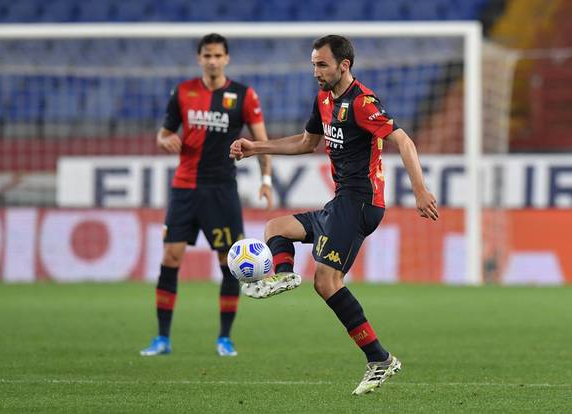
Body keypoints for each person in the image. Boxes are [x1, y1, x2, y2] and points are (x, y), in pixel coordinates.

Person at [229, 35, 438, 394]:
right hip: (340, 202)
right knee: (276, 227)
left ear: (344, 65)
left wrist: (419, 190)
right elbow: (308, 143)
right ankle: (283, 274)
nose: (315, 71)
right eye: (313, 64)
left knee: (326, 282)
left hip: (360, 202)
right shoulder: (324, 99)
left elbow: (403, 140)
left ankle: (379, 360)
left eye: (321, 64)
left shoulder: (362, 102)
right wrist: (255, 147)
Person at [141, 33, 273, 357]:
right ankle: (162, 339)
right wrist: (164, 140)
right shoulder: (183, 92)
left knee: (228, 263)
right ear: (199, 58)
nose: (212, 61)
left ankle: (224, 338)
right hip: (184, 188)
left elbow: (261, 141)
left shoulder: (244, 96)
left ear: (226, 58)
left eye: (218, 56)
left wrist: (266, 178)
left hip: (222, 190)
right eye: (207, 56)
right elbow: (164, 133)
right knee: (170, 257)